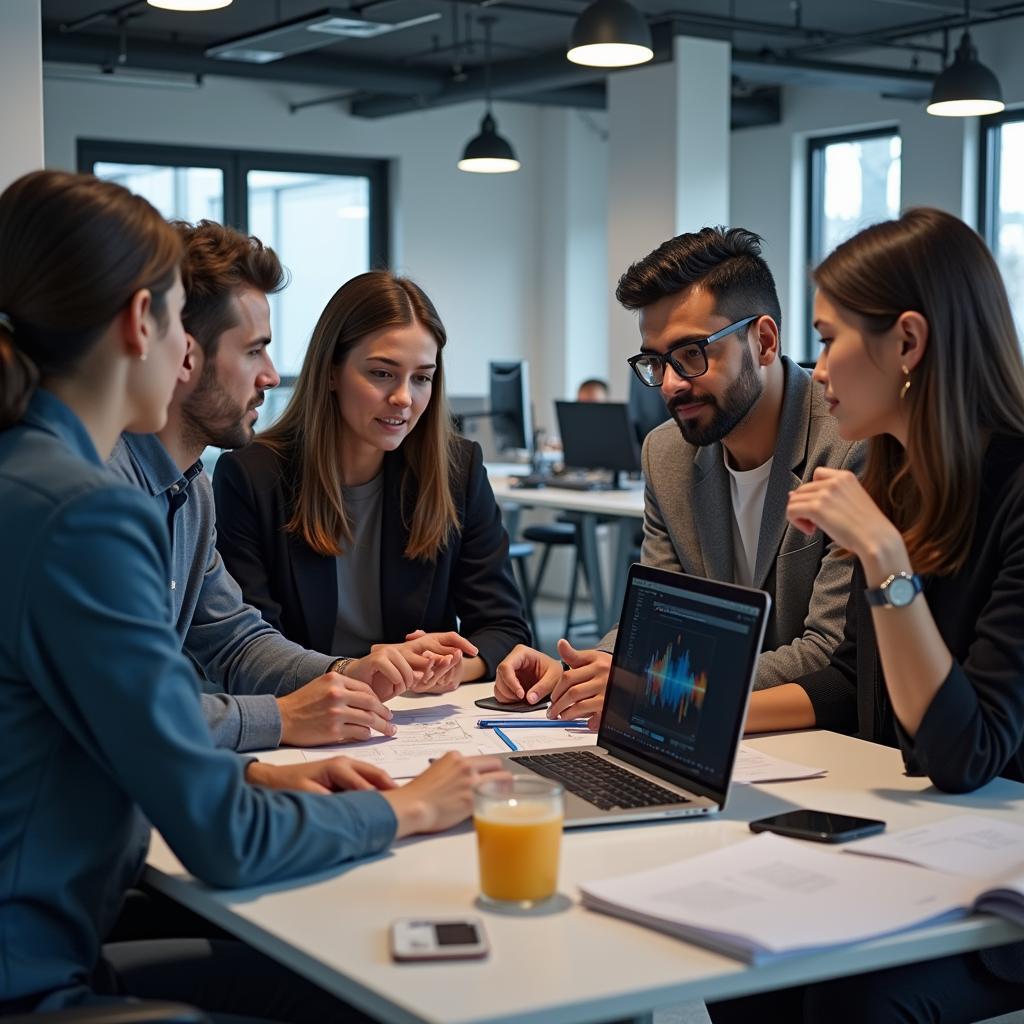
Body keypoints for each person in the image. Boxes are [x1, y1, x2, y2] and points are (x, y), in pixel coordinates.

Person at [0, 170, 506, 1019]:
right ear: (146, 327)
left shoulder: (59, 478)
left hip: (64, 917)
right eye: (255, 347)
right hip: (33, 971)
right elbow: (226, 839)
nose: (269, 371)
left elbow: (212, 652)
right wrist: (411, 809)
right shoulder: (86, 512)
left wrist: (315, 714)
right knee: (397, 997)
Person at [710, 208, 1024, 1023]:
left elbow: (967, 750)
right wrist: (699, 715)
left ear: (908, 344)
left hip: (998, 881)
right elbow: (853, 681)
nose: (816, 373)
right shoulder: (894, 473)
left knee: (849, 1003)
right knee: (739, 960)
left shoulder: (1017, 494)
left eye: (829, 338)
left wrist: (888, 562)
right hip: (912, 838)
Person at [494, 227, 862, 721]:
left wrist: (656, 682)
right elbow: (657, 619)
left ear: (765, 341)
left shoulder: (848, 444)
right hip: (703, 735)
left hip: (817, 739)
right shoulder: (665, 454)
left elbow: (828, 653)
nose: (669, 385)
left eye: (691, 354)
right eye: (655, 361)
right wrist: (594, 667)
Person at [109, 220, 448, 752]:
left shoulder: (189, 487)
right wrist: (281, 719)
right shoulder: (100, 494)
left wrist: (348, 672)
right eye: (253, 351)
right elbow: (122, 709)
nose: (270, 375)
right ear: (183, 354)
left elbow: (235, 641)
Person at [213, 270, 531, 690]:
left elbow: (503, 627)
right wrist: (354, 671)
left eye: (421, 377)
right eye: (382, 373)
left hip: (421, 717)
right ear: (331, 372)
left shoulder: (458, 469)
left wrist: (454, 669)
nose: (403, 397)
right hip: (310, 711)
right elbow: (249, 650)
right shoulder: (252, 476)